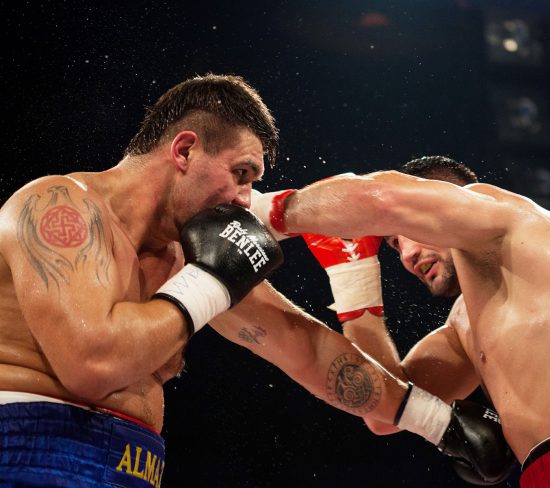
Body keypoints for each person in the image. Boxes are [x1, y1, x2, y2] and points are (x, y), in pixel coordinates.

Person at [0, 76, 511, 487]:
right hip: (31, 447)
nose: (246, 200)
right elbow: (92, 364)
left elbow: (305, 347)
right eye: (242, 174)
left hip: (139, 462)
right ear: (184, 151)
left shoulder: (187, 257)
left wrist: (440, 424)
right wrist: (209, 280)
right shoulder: (60, 207)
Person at [252, 156, 550, 487]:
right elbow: (384, 407)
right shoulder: (465, 323)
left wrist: (260, 212)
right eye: (392, 244)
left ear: (441, 203)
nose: (405, 254)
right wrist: (353, 278)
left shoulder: (508, 217)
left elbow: (381, 197)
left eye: (407, 232)